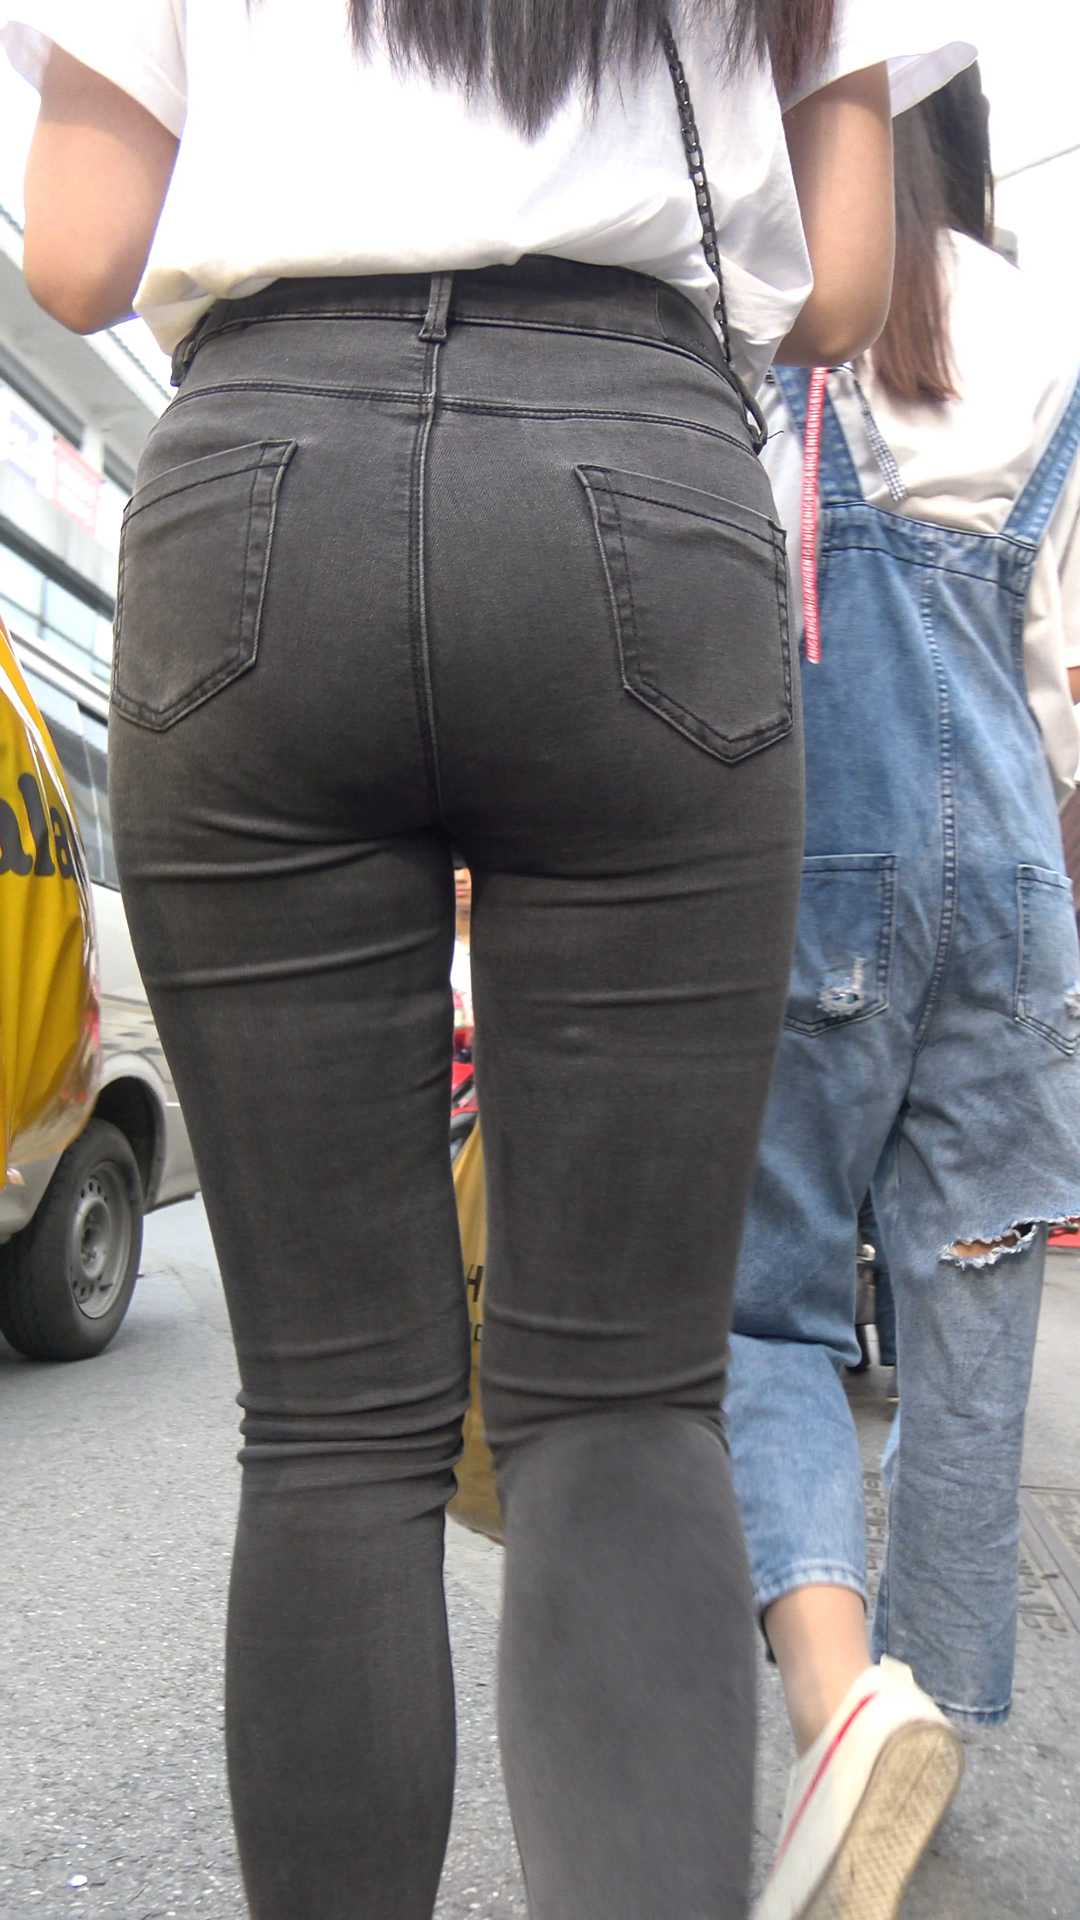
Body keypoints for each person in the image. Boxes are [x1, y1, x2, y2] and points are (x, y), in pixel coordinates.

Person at [6, 4, 971, 1914]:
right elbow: (847, 283)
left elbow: (78, 251)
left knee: (329, 1422)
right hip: (634, 479)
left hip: (260, 500)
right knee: (622, 1402)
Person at [726, 65, 1080, 1920]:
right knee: (974, 1320)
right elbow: (1062, 690)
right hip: (1018, 892)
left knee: (769, 1302)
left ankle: (841, 1703)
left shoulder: (798, 300)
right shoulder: (1047, 340)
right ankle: (925, 1718)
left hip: (828, 870)